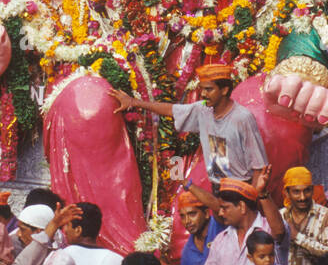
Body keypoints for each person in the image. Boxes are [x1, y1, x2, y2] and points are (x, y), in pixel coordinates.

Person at [112, 62, 267, 184]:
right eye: (202, 89)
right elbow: (171, 110)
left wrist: (250, 200)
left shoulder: (242, 118)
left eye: (209, 89)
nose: (204, 94)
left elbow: (260, 165)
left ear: (225, 90)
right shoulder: (203, 110)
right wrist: (134, 102)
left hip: (240, 189)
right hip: (217, 189)